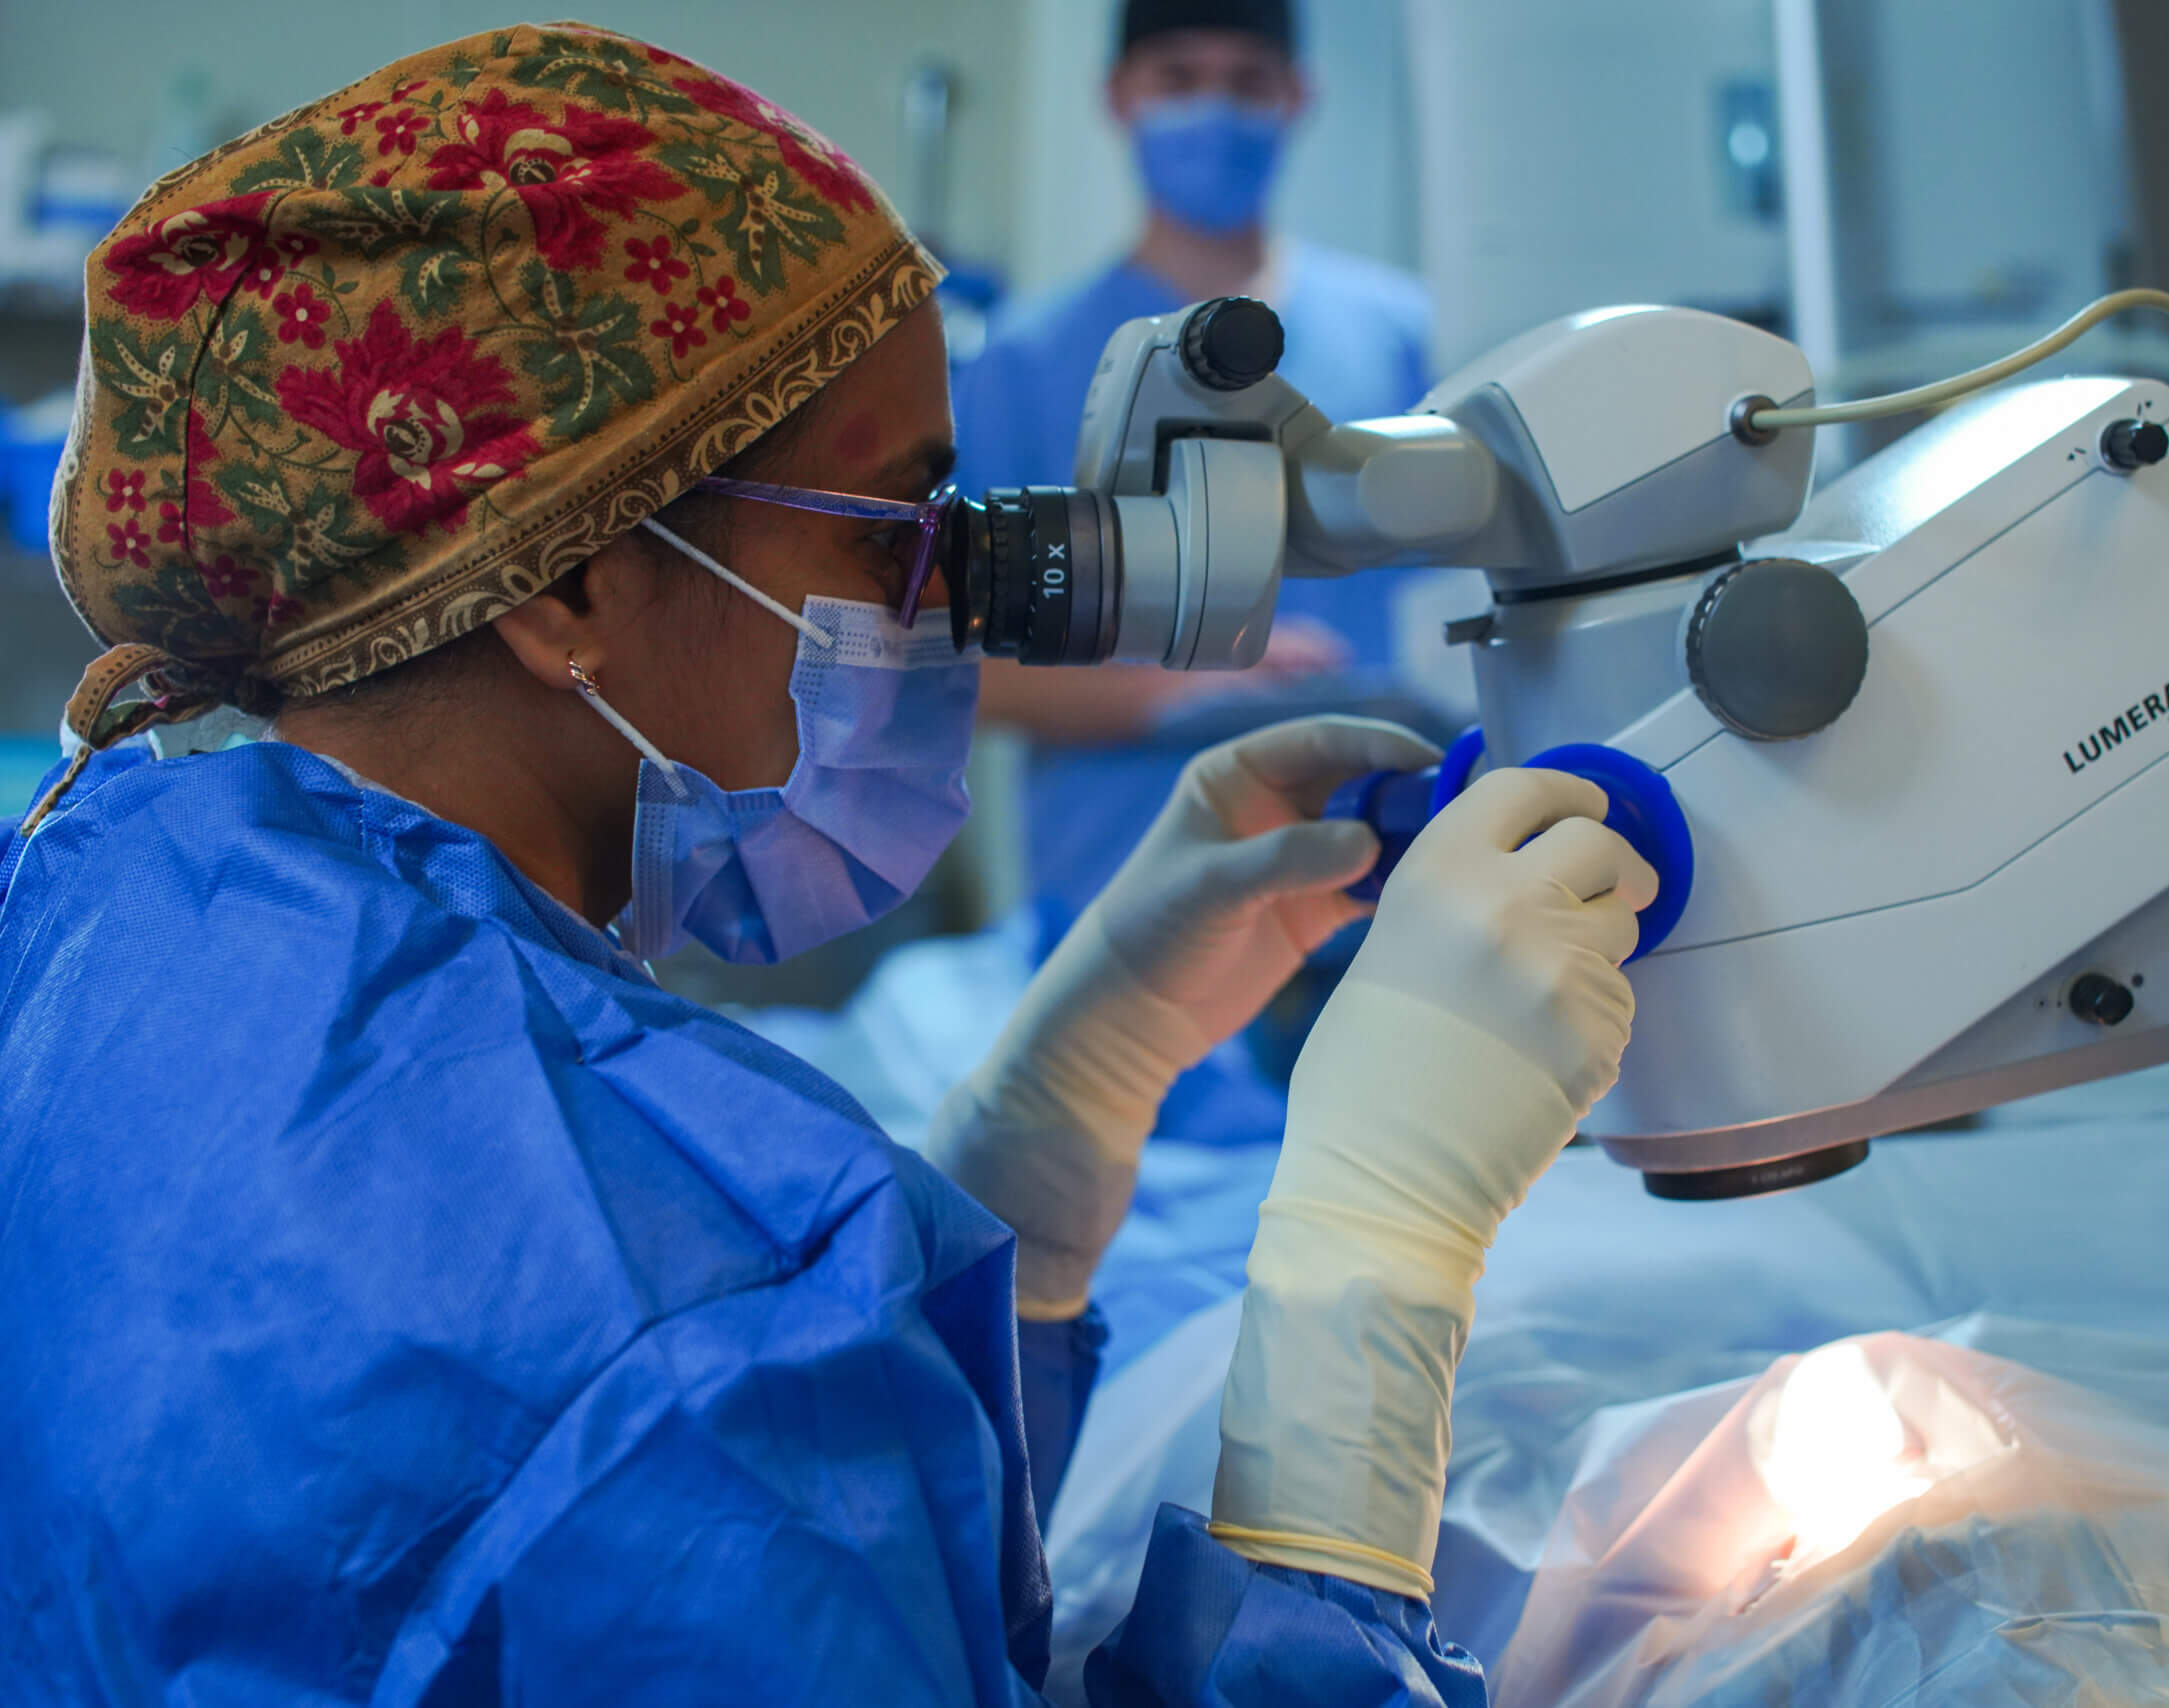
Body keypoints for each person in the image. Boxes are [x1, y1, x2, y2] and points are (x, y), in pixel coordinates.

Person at [0, 25, 1654, 1706]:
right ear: (565, 586)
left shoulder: (94, 897)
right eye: (892, 522)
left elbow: (821, 1549)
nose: (949, 593)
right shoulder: (671, 1336)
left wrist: (1049, 1133)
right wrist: (1367, 1272)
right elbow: (688, 1440)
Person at [951, 0, 1443, 938]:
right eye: (1178, 78)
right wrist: (1180, 690)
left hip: (1383, 879)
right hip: (1128, 890)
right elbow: (953, 667)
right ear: (1119, 95)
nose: (1213, 109)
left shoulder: (1399, 335)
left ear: (1299, 95)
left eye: (1247, 81)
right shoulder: (1025, 362)